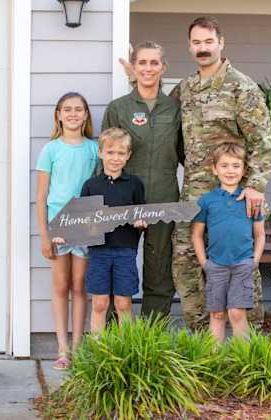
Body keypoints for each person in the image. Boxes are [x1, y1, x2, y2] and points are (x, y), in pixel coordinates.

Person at [170, 16, 271, 330]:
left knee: (243, 264)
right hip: (195, 194)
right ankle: (205, 339)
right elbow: (164, 121)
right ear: (189, 46)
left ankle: (250, 341)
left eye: (208, 41)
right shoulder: (185, 88)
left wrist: (255, 185)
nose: (203, 48)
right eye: (197, 42)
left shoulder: (242, 88)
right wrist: (138, 79)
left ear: (221, 43)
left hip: (236, 194)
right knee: (185, 258)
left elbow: (264, 142)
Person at [102, 41, 183, 318]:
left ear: (163, 67)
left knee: (159, 269)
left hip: (163, 196)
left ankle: (152, 337)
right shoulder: (118, 108)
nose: (148, 68)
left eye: (154, 63)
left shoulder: (175, 109)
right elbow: (105, 155)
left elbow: (188, 153)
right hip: (122, 198)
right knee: (117, 265)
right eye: (142, 63)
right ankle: (113, 338)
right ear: (134, 68)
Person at [35, 92, 99, 370]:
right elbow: (41, 196)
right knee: (61, 285)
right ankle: (62, 348)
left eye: (78, 109)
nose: (73, 114)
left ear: (86, 115)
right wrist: (44, 235)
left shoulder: (94, 149)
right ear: (58, 115)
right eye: (67, 109)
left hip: (85, 219)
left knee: (79, 285)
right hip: (58, 222)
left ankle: (78, 346)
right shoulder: (50, 150)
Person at [192, 143, 265, 343]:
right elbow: (197, 235)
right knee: (217, 315)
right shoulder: (207, 201)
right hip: (216, 265)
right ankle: (215, 360)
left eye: (235, 166)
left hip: (242, 264)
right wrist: (204, 263)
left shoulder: (251, 201)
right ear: (214, 169)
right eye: (224, 166)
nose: (230, 171)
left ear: (243, 170)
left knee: (237, 313)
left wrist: (255, 260)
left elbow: (260, 234)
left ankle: (243, 358)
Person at [80, 128, 147, 334]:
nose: (115, 158)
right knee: (100, 303)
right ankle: (98, 351)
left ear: (128, 156)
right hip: (99, 252)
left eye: (120, 153)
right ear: (100, 153)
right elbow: (82, 220)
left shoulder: (134, 184)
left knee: (123, 304)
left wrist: (140, 222)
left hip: (125, 251)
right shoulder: (91, 185)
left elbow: (141, 212)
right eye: (110, 152)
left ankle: (126, 348)